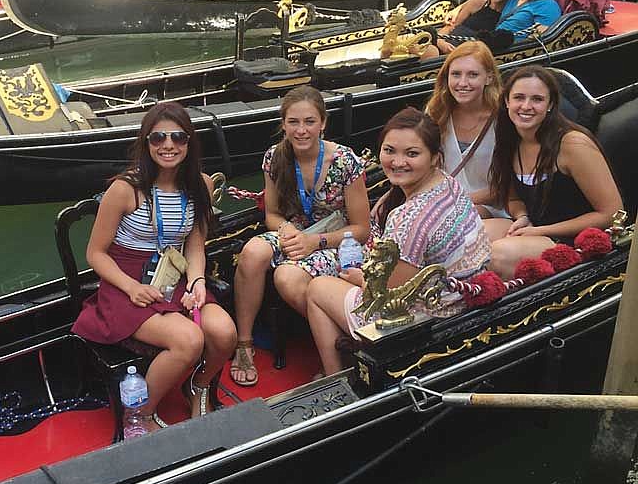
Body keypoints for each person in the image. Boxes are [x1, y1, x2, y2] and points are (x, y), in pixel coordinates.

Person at [72, 102, 237, 430]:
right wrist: (132, 288)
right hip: (126, 283)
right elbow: (96, 254)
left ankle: (199, 386)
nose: (168, 145)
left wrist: (197, 282)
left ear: (189, 142)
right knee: (189, 340)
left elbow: (193, 243)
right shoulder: (125, 189)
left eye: (178, 137)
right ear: (146, 143)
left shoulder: (200, 185)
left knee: (224, 333)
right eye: (158, 137)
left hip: (173, 276)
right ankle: (142, 413)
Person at [305, 108, 491, 375]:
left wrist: (357, 277)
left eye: (412, 154)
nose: (397, 161)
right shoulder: (448, 183)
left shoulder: (408, 218)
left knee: (317, 288)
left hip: (429, 318)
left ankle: (337, 378)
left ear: (434, 158)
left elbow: (388, 294)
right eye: (389, 150)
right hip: (461, 295)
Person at [229, 86, 370, 386]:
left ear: (323, 123)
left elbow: (361, 229)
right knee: (253, 252)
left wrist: (313, 242)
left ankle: (338, 345)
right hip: (297, 234)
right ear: (283, 124)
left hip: (338, 242)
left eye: (309, 122)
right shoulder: (274, 158)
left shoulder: (345, 162)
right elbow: (272, 214)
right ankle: (244, 344)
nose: (301, 130)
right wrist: (286, 229)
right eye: (293, 122)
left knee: (286, 277)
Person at [485, 65, 623, 279]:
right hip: (537, 229)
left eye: (537, 99)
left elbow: (611, 213)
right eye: (519, 98)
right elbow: (511, 197)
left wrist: (540, 231)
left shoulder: (573, 144)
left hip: (575, 239)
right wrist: (522, 216)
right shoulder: (510, 141)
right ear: (507, 102)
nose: (526, 106)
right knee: (470, 236)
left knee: (496, 254)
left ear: (550, 105)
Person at [424, 40, 506, 218]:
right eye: (456, 74)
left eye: (472, 75)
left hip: (492, 206)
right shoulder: (436, 111)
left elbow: (508, 186)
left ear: (489, 78)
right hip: (441, 205)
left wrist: (456, 200)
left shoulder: (503, 118)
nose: (462, 83)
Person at [433, 0, 517, 55]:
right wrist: (441, 42)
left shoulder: (508, 15)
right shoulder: (476, 4)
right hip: (447, 44)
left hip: (467, 54)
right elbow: (450, 27)